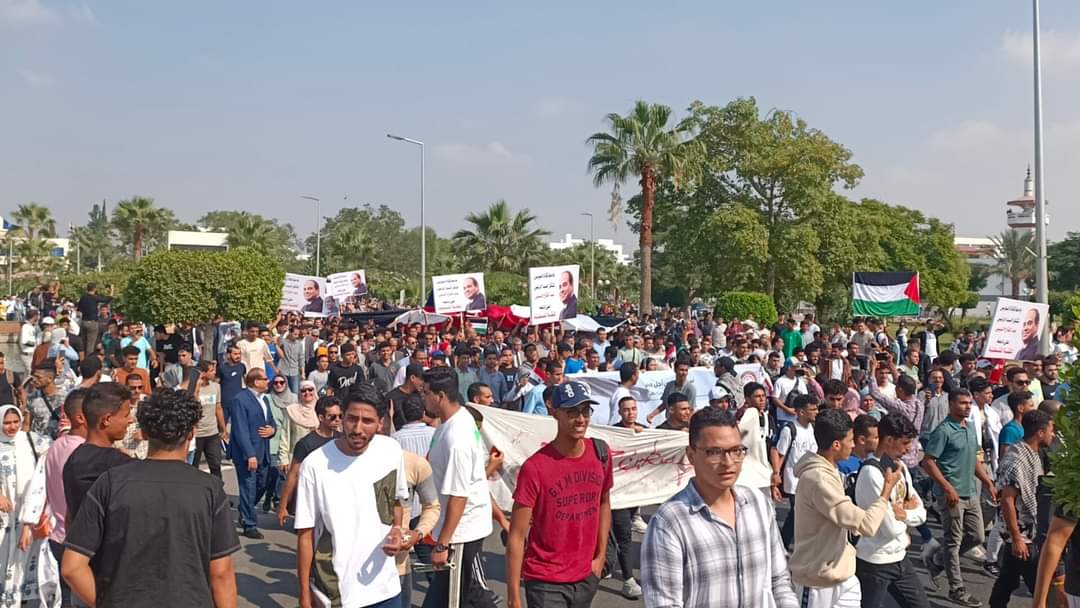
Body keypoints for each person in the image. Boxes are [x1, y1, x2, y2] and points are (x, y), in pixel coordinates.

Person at [62, 388, 240, 607]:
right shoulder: (209, 489)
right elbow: (221, 574)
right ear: (192, 433)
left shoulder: (110, 482)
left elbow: (72, 567)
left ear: (144, 432)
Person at [641, 407, 797, 608]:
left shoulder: (758, 504)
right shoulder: (669, 523)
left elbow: (778, 580)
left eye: (736, 451)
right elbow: (664, 603)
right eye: (714, 452)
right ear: (691, 455)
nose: (728, 463)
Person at [294, 382, 408, 608]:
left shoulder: (391, 451)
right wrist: (304, 593)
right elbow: (305, 535)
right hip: (337, 595)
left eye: (368, 421)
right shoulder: (314, 465)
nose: (357, 429)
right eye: (352, 418)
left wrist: (398, 530)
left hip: (387, 590)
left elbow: (396, 502)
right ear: (342, 417)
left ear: (380, 423)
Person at [506, 381, 613, 608]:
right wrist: (513, 596)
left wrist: (600, 556)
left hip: (586, 576)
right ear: (554, 412)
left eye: (585, 411)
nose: (580, 419)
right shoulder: (535, 468)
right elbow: (516, 534)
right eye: (572, 411)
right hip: (546, 582)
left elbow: (604, 502)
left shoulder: (601, 453)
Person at [788, 409, 900, 607]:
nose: (854, 444)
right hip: (818, 581)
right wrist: (885, 492)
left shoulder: (830, 471)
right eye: (850, 440)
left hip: (843, 574)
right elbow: (866, 524)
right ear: (836, 445)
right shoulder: (819, 479)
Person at [420, 366, 496, 608]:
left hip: (461, 533)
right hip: (452, 527)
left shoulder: (457, 437)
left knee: (465, 596)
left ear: (440, 396)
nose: (423, 398)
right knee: (446, 597)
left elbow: (458, 495)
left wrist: (443, 544)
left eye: (426, 393)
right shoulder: (450, 421)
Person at [921, 389, 997, 607]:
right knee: (953, 541)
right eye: (962, 403)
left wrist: (987, 482)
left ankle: (938, 559)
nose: (967, 406)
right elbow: (928, 462)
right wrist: (947, 488)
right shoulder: (943, 430)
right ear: (951, 404)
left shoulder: (969, 427)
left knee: (977, 536)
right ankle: (956, 589)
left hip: (970, 491)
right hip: (951, 496)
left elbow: (973, 459)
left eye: (969, 403)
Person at [852, 413, 930, 608]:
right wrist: (904, 514)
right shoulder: (871, 473)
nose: (908, 449)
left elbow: (921, 512)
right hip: (875, 562)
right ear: (888, 440)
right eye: (904, 443)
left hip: (900, 557)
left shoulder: (899, 467)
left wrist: (903, 513)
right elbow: (889, 528)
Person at [989, 409, 1055, 608]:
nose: (1053, 435)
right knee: (1040, 587)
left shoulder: (1033, 454)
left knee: (1009, 579)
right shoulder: (1016, 460)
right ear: (1040, 433)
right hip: (1022, 535)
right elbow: (1007, 501)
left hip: (1029, 531)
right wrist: (1017, 538)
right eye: (1051, 430)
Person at [0, 405, 55, 606]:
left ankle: (22, 598)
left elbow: (54, 455)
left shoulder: (32, 440)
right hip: (4, 514)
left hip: (29, 509)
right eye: (7, 423)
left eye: (16, 421)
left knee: (27, 554)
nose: (12, 427)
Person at [61, 383, 134, 530]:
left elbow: (69, 518)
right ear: (107, 419)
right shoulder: (118, 465)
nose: (130, 420)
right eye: (126, 415)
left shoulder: (73, 459)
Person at [41, 389, 88, 607]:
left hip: (58, 536)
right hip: (76, 541)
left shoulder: (57, 445)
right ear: (81, 416)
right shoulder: (82, 452)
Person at [277, 397, 343, 528]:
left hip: (336, 500)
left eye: (340, 416)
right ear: (321, 417)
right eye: (332, 417)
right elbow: (293, 475)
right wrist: (282, 506)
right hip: (313, 501)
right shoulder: (306, 444)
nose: (337, 420)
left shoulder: (341, 439)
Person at [229, 368, 277, 540]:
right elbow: (240, 429)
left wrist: (272, 430)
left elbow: (270, 422)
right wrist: (250, 455)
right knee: (248, 487)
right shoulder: (240, 400)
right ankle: (249, 524)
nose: (268, 381)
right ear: (256, 382)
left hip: (263, 450)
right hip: (247, 453)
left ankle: (245, 508)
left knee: (262, 484)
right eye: (265, 379)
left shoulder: (265, 399)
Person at [772, 394, 819, 549]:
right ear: (801, 412)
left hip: (809, 479)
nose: (816, 412)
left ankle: (786, 543)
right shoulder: (789, 429)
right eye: (812, 409)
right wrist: (776, 474)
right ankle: (785, 544)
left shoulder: (812, 428)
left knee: (799, 515)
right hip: (794, 480)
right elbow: (779, 453)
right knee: (797, 513)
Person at [190, 360, 226, 479]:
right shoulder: (192, 387)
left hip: (212, 432)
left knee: (215, 464)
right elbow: (192, 406)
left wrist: (223, 429)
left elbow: (218, 408)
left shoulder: (216, 386)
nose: (214, 372)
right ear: (203, 373)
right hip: (197, 434)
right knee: (193, 466)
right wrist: (196, 387)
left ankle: (218, 488)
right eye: (211, 370)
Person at [649, 358, 697, 424]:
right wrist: (652, 415)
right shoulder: (669, 385)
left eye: (686, 370)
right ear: (675, 370)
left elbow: (691, 410)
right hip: (669, 422)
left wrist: (688, 426)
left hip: (683, 424)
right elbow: (664, 404)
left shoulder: (691, 389)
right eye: (681, 370)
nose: (684, 373)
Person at [217, 344, 246, 424]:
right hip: (224, 403)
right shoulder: (222, 368)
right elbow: (216, 383)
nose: (238, 356)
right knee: (222, 425)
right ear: (228, 355)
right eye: (235, 354)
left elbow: (245, 381)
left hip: (238, 402)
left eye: (239, 354)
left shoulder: (242, 366)